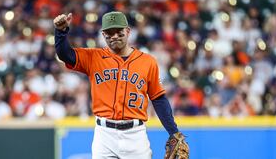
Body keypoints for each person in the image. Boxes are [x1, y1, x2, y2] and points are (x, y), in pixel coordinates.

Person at [53, 11, 189, 159]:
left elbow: (158, 98)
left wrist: (173, 131)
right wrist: (61, 32)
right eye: (109, 33)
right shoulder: (94, 57)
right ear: (103, 34)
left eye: (118, 32)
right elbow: (65, 54)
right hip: (104, 134)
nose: (114, 36)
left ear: (128, 31)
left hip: (135, 135)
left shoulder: (147, 61)